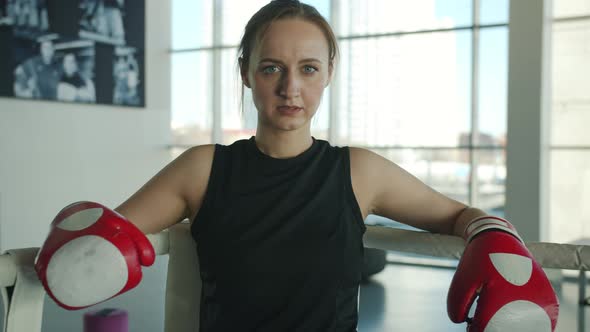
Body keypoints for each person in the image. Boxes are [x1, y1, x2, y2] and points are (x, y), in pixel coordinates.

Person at [34, 1, 559, 331]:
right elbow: (104, 238)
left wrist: (491, 235)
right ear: (246, 73)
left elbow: (459, 215)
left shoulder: (359, 171)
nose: (291, 88)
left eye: (308, 68)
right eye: (272, 68)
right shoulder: (201, 168)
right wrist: (79, 239)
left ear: (329, 72)